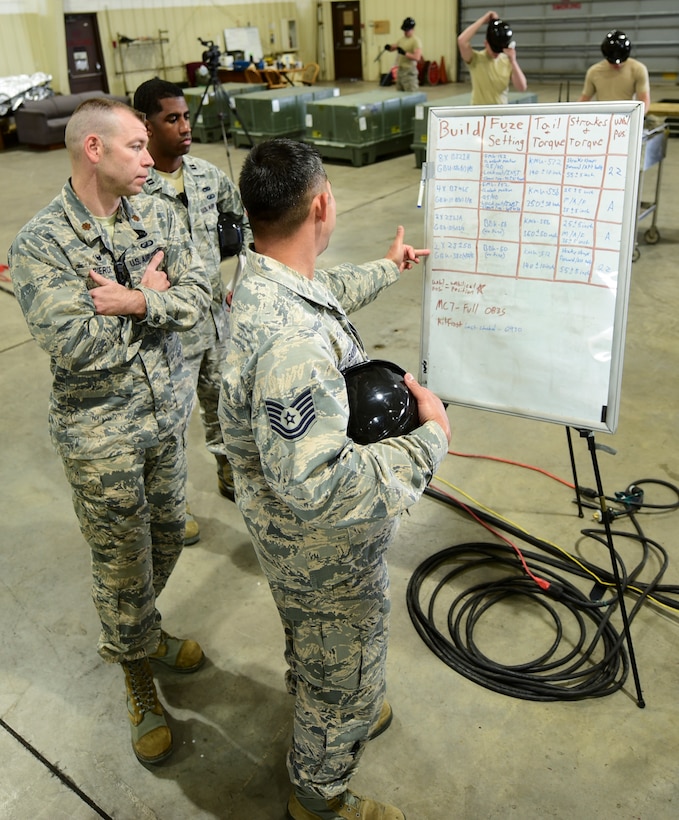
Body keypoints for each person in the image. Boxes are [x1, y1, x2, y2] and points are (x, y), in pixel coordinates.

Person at [218, 138, 451, 820]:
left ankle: (327, 700)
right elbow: (321, 489)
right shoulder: (291, 344)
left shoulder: (264, 277)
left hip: (289, 542)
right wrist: (431, 439)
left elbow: (325, 293)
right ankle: (318, 795)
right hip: (321, 554)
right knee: (343, 671)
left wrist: (387, 266)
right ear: (322, 203)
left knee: (319, 650)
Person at [9, 98, 212, 766]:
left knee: (167, 536)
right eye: (136, 146)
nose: (151, 159)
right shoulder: (41, 243)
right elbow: (75, 346)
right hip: (101, 437)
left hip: (164, 418)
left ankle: (142, 633)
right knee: (122, 564)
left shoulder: (158, 213)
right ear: (93, 150)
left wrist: (134, 301)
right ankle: (135, 672)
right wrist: (156, 306)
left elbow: (199, 299)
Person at [133, 78, 253, 546]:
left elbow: (242, 222)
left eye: (186, 116)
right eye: (172, 119)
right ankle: (170, 505)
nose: (185, 126)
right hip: (169, 335)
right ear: (146, 126)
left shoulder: (206, 175)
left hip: (216, 323)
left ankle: (228, 472)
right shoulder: (134, 189)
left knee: (224, 404)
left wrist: (238, 279)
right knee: (170, 424)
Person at [457, 10, 528, 106]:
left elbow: (522, 87)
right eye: (494, 49)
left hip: (500, 111)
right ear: (486, 43)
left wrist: (513, 61)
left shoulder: (507, 61)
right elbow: (461, 40)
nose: (496, 53)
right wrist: (484, 20)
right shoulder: (475, 59)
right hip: (479, 111)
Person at [578, 30, 650, 114]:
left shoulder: (638, 69)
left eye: (621, 61)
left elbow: (644, 99)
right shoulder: (594, 72)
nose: (617, 65)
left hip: (627, 116)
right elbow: (584, 99)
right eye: (612, 62)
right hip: (602, 117)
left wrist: (639, 116)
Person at [385, 16, 422, 92]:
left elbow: (417, 57)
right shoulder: (402, 39)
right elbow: (395, 47)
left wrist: (405, 53)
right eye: (404, 30)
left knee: (410, 94)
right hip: (400, 71)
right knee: (400, 93)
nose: (405, 32)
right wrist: (389, 47)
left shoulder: (415, 41)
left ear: (412, 29)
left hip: (409, 72)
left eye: (407, 30)